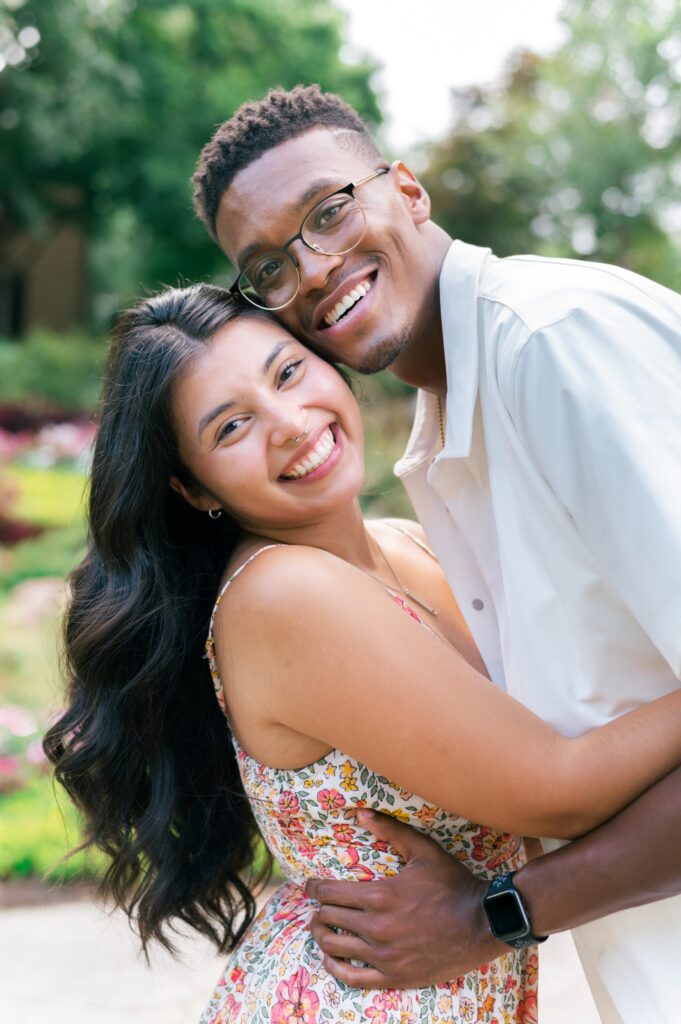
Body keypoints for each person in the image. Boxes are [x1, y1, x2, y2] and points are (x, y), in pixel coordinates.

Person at [44, 284, 681, 1024]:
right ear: (193, 489)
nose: (288, 424)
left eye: (286, 373)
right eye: (231, 427)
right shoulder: (284, 595)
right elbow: (559, 787)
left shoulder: (402, 543)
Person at [191, 85, 681, 1023]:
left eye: (329, 212)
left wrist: (497, 913)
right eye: (269, 266)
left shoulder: (550, 346)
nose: (315, 268)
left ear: (407, 190)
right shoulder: (448, 442)